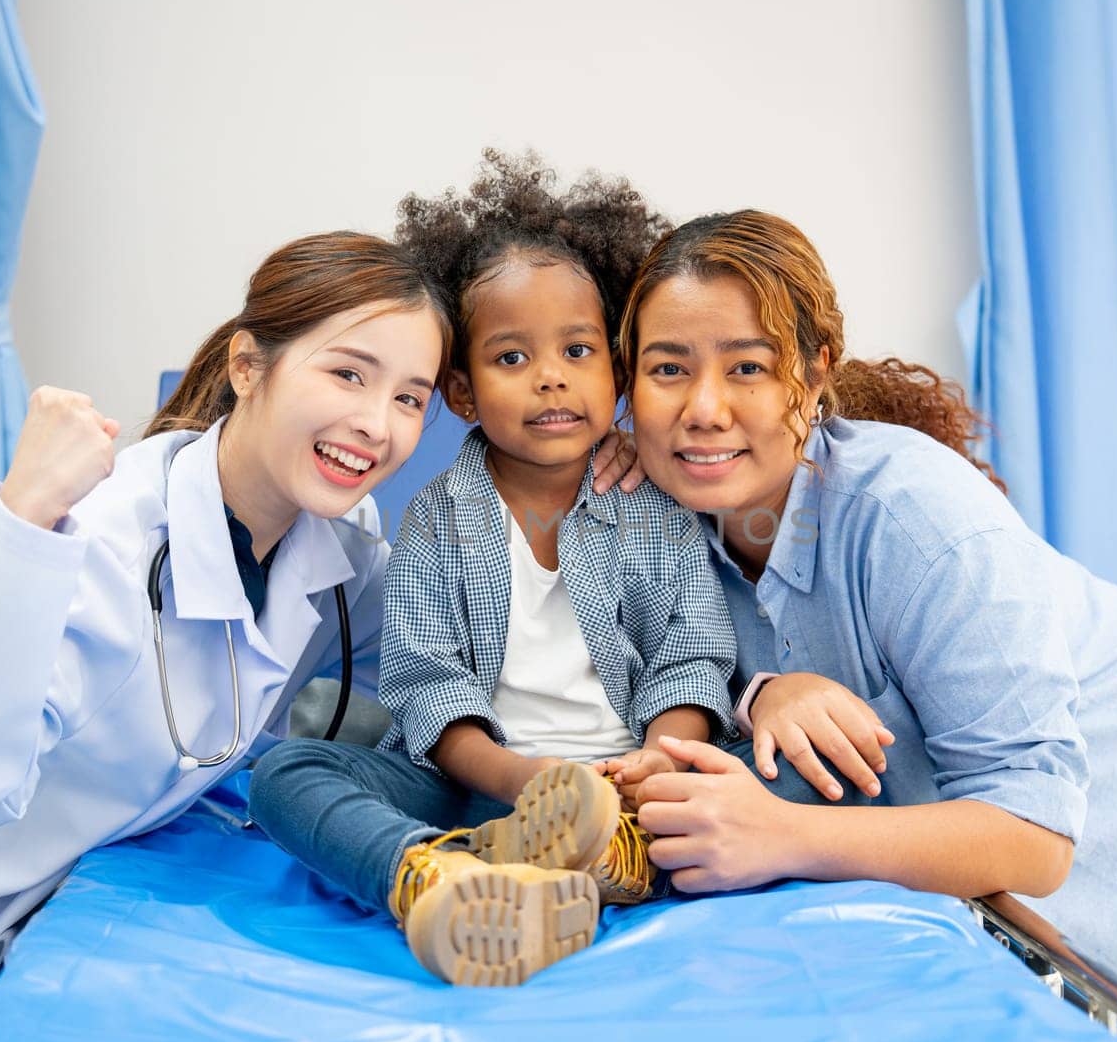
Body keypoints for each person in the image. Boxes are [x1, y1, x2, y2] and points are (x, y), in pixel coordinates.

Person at [617, 210, 1117, 1042]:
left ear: (813, 377)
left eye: (748, 367)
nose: (703, 408)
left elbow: (1033, 837)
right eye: (669, 369)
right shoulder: (662, 526)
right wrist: (761, 692)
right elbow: (698, 663)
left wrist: (780, 836)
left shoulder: (915, 517)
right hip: (977, 858)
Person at [0, 232, 455, 1042]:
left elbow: (451, 656)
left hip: (52, 886)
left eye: (410, 398)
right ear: (249, 365)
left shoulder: (338, 546)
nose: (375, 424)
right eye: (348, 373)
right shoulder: (102, 540)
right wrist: (23, 516)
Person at [249, 154, 866, 988]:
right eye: (510, 359)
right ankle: (436, 875)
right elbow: (430, 686)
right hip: (481, 785)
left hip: (643, 783)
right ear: (462, 392)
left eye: (578, 349)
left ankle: (611, 851)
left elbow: (691, 653)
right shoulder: (439, 518)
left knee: (796, 772)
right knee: (288, 772)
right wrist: (520, 778)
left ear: (616, 371)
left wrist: (659, 756)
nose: (550, 376)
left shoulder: (652, 505)